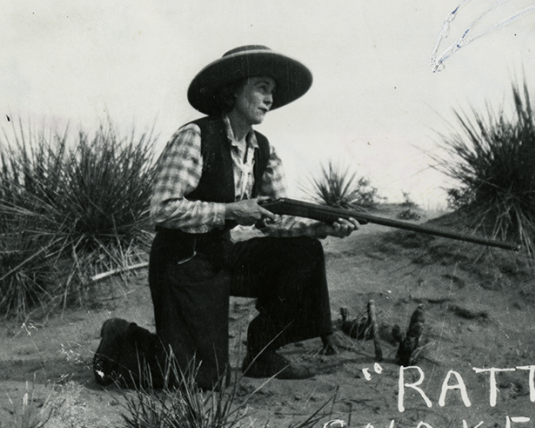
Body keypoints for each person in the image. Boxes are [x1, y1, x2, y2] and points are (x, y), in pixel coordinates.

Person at [93, 45, 359, 390]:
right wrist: (230, 211)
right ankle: (120, 339)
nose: (269, 99)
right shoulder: (195, 137)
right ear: (233, 90)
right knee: (199, 379)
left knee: (305, 252)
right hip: (182, 262)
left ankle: (263, 352)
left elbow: (274, 220)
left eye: (273, 92)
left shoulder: (264, 149)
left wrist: (322, 227)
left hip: (222, 255)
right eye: (262, 87)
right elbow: (161, 208)